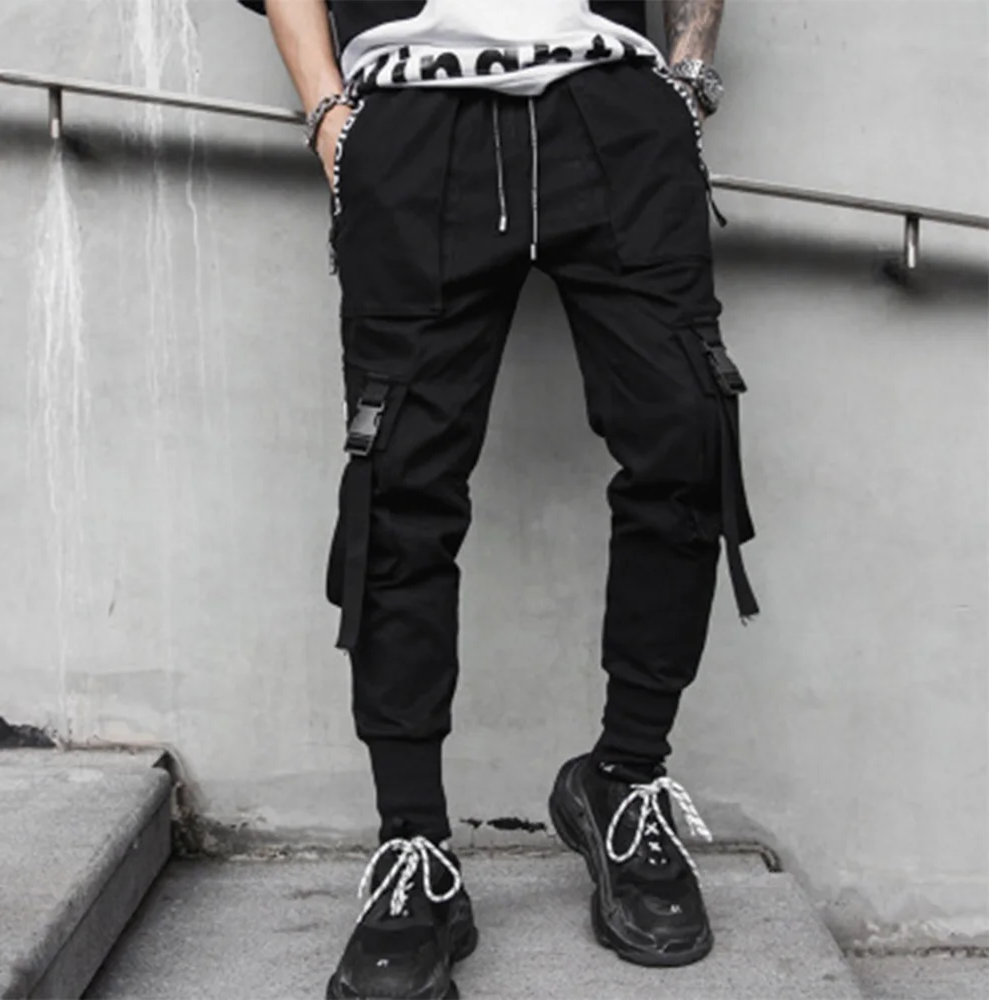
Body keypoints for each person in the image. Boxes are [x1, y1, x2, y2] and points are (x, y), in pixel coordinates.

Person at [238, 2, 756, 996]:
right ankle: (415, 847)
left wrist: (686, 83)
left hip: (612, 106)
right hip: (413, 115)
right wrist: (328, 116)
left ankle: (624, 778)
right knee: (398, 482)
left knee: (689, 435)